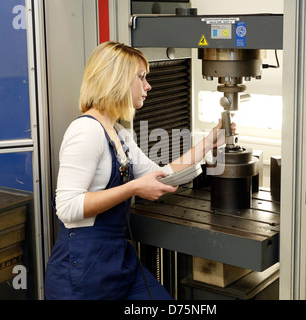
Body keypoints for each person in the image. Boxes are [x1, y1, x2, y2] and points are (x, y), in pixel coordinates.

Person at [44, 42, 232, 300]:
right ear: (116, 79)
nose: (148, 86)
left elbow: (160, 174)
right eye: (141, 77)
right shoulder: (86, 131)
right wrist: (133, 187)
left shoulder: (120, 133)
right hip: (83, 269)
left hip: (118, 260)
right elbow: (67, 207)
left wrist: (208, 143)